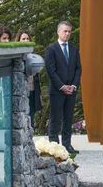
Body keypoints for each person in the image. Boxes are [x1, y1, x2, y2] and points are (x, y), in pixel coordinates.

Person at [45, 20, 81, 154]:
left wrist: (73, 85)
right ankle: (54, 145)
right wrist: (61, 86)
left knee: (68, 118)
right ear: (58, 32)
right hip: (57, 91)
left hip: (71, 91)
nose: (67, 34)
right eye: (65, 31)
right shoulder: (51, 49)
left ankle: (67, 144)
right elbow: (51, 70)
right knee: (55, 118)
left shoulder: (73, 49)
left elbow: (78, 69)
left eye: (69, 31)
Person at [15, 30, 42, 127]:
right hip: (20, 94)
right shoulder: (16, 56)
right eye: (23, 39)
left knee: (31, 118)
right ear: (18, 41)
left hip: (32, 92)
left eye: (27, 38)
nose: (26, 40)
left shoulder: (34, 57)